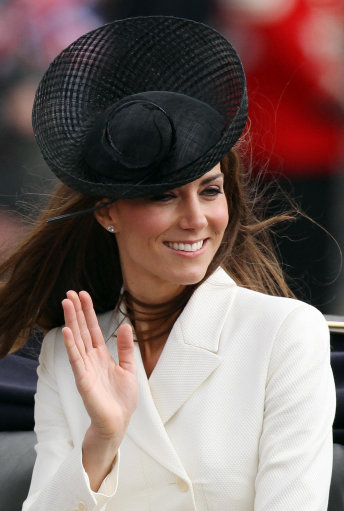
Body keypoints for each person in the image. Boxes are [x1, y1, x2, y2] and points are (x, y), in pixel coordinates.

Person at [0, 16, 335, 511]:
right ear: (109, 211)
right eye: (164, 197)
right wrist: (103, 440)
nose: (196, 219)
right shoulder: (64, 353)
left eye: (210, 190)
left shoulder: (286, 333)